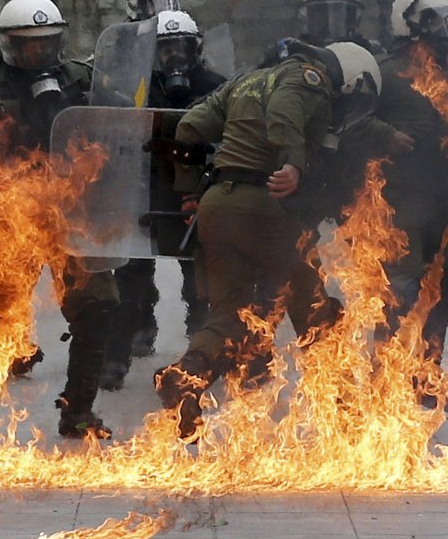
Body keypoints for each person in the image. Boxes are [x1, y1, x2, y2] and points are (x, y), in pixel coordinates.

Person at [153, 41, 383, 439]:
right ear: (348, 77)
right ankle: (348, 415)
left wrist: (192, 187)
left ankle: (185, 376)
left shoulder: (246, 81)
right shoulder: (310, 77)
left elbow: (190, 127)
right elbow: (283, 116)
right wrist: (292, 163)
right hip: (265, 207)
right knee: (314, 308)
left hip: (218, 208)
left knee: (230, 313)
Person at [0, 0, 117, 439]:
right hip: (11, 218)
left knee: (98, 308)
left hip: (73, 215)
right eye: (27, 44)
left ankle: (78, 409)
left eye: (46, 42)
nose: (38, 53)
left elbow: (120, 127)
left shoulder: (81, 79)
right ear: (7, 43)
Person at [99, 10, 227, 391]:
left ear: (197, 48)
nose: (175, 57)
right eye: (165, 49)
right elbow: (111, 134)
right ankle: (115, 357)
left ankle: (201, 357)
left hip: (195, 196)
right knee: (130, 280)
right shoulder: (134, 88)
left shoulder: (218, 88)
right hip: (143, 194)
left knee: (199, 284)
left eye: (182, 48)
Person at [371, 0, 448, 414]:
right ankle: (385, 381)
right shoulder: (383, 74)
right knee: (399, 291)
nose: (444, 35)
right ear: (413, 26)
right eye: (436, 24)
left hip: (442, 201)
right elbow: (347, 127)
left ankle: (426, 378)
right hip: (395, 205)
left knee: (440, 287)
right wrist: (386, 135)